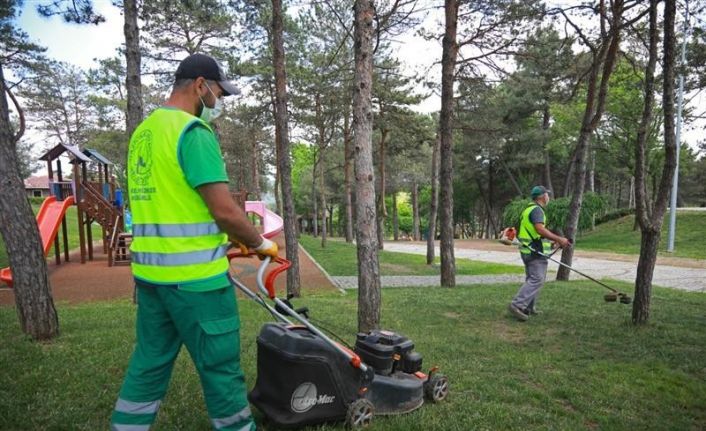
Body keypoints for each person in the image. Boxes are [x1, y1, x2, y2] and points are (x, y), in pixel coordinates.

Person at [110, 53, 278, 431]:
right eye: (218, 93)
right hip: (197, 282)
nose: (218, 103)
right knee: (220, 369)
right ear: (200, 85)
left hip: (152, 279)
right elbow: (225, 212)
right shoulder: (193, 132)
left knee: (149, 363)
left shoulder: (145, 133)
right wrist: (261, 243)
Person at [508, 185, 570, 322]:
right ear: (542, 196)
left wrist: (552, 243)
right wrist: (559, 238)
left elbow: (536, 234)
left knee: (532, 278)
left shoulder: (528, 209)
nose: (548, 197)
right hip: (534, 252)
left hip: (528, 250)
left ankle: (528, 307)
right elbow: (540, 230)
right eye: (547, 194)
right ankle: (517, 305)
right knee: (537, 279)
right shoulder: (537, 211)